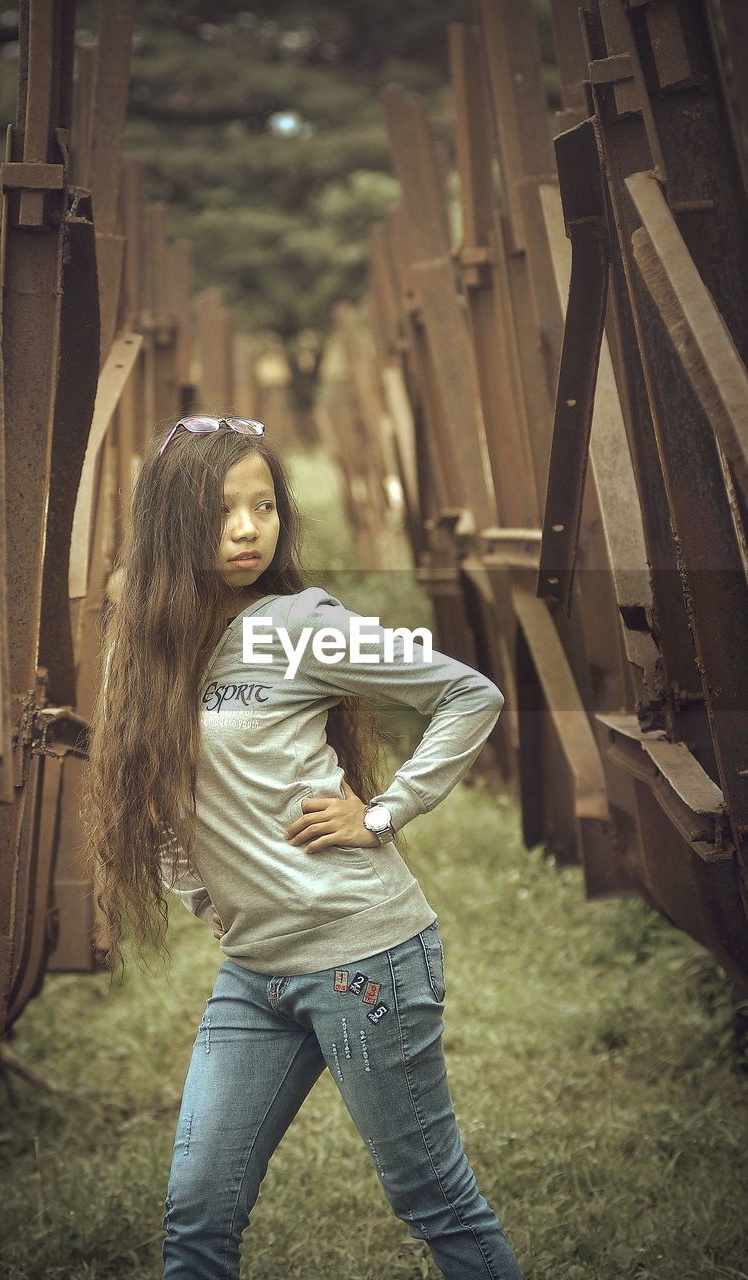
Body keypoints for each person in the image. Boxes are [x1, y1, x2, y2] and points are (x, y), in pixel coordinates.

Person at [81, 414, 522, 1280]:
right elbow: (159, 799)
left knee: (435, 1201)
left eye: (264, 507)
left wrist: (384, 813)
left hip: (365, 960)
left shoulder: (297, 625)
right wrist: (212, 898)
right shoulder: (141, 646)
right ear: (171, 523)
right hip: (254, 975)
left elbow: (469, 695)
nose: (249, 530)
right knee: (196, 1219)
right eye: (221, 511)